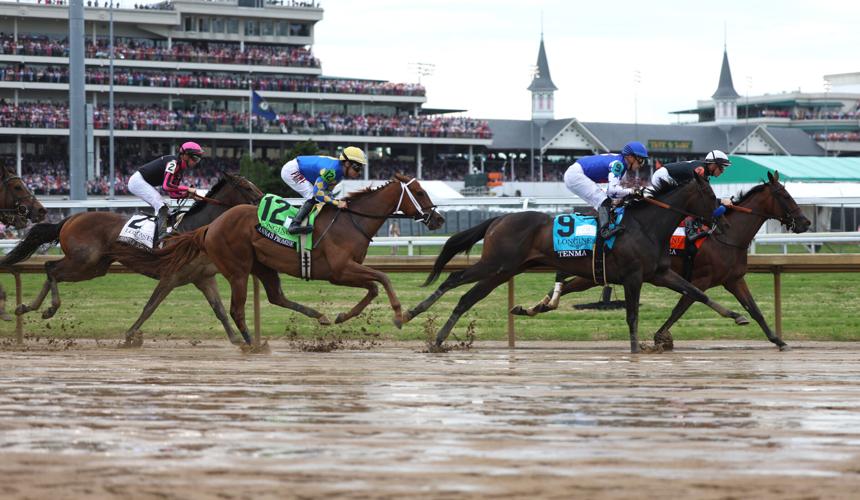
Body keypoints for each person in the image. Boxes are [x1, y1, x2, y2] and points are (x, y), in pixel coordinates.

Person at [563, 141, 649, 239]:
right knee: (603, 200)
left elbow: (612, 194)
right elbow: (613, 191)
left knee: (605, 202)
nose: (641, 164)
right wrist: (632, 191)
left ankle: (604, 226)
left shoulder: (621, 163)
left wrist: (630, 192)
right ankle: (605, 231)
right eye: (640, 159)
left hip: (575, 173)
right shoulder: (619, 164)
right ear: (630, 157)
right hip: (575, 175)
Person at [127, 141, 204, 242]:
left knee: (168, 210)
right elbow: (166, 186)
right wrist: (187, 189)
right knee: (162, 206)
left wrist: (188, 195)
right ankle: (161, 237)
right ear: (185, 156)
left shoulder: (180, 170)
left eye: (198, 159)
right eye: (195, 158)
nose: (196, 162)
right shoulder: (173, 163)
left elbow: (172, 194)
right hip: (137, 181)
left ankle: (160, 233)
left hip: (144, 182)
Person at [280, 146, 366, 235]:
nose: (359, 172)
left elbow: (328, 193)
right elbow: (318, 193)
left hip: (297, 168)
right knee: (312, 195)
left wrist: (335, 202)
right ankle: (294, 224)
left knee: (322, 199)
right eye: (357, 168)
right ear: (347, 163)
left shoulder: (339, 173)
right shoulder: (332, 171)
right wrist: (337, 203)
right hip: (291, 170)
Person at [650, 150, 733, 207]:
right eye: (721, 167)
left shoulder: (704, 171)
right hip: (662, 176)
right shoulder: (701, 170)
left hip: (665, 175)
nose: (722, 171)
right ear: (714, 164)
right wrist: (721, 201)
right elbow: (703, 197)